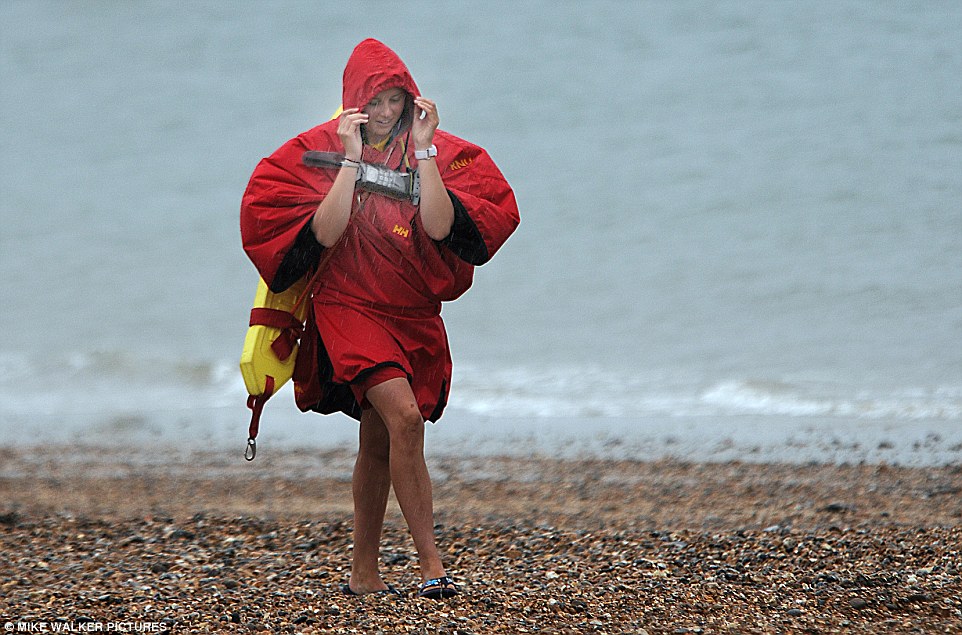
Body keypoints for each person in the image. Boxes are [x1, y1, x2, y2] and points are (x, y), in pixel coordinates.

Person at [240, 38, 519, 599]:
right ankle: (432, 567)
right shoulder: (314, 154)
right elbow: (320, 234)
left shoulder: (436, 150)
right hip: (348, 308)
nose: (387, 112)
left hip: (411, 311)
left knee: (377, 438)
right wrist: (348, 161)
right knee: (405, 418)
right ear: (354, 102)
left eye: (397, 100)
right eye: (377, 100)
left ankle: (362, 573)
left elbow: (445, 229)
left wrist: (425, 152)